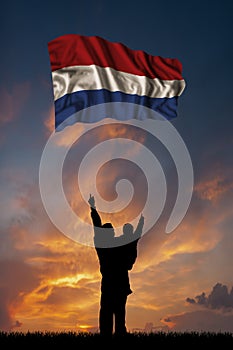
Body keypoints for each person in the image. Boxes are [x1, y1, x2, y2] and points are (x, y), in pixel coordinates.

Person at [88, 194, 144, 337]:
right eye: (112, 231)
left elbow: (133, 238)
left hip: (112, 285)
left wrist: (93, 208)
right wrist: (93, 209)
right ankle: (115, 334)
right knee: (116, 314)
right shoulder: (108, 245)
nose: (114, 232)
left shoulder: (108, 245)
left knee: (113, 315)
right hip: (116, 285)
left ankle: (111, 334)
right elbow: (97, 225)